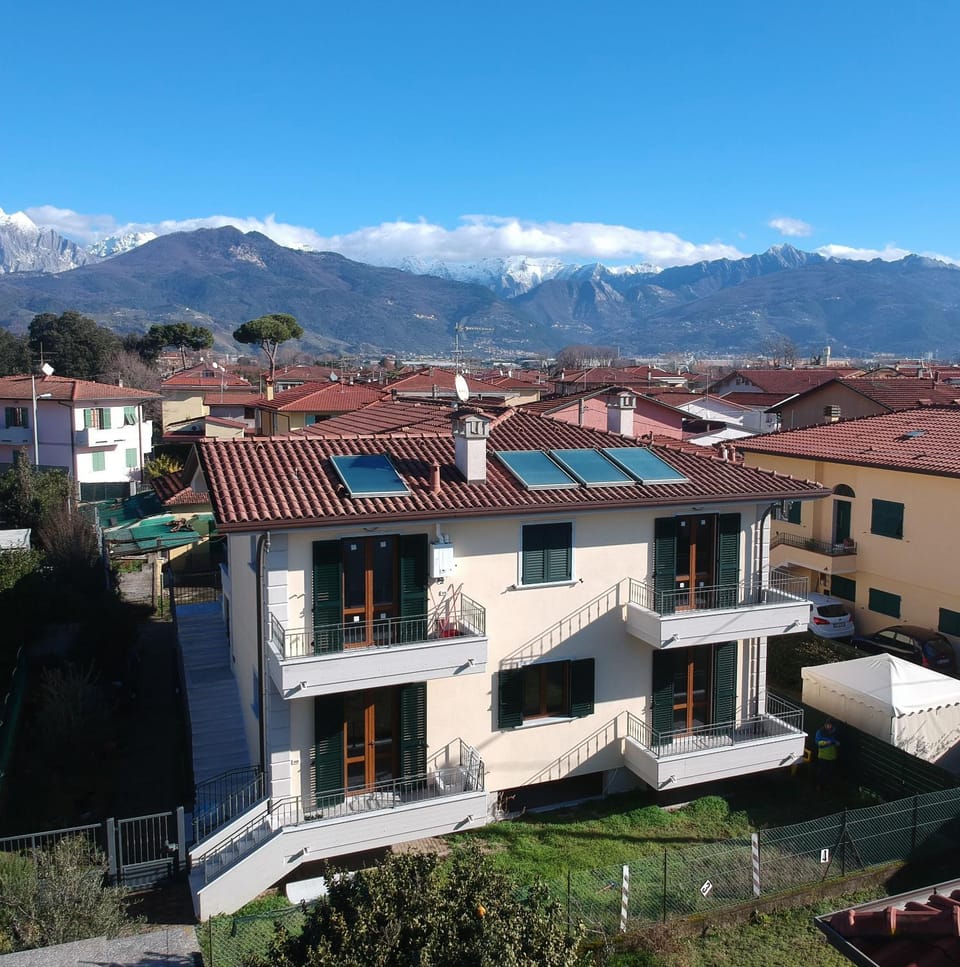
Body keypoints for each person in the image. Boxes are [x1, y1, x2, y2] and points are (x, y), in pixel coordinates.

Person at [815, 719, 840, 790]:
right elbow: (817, 742)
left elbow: (836, 741)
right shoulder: (820, 732)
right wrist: (826, 743)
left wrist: (836, 743)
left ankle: (828, 785)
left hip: (832, 756)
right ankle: (819, 785)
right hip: (822, 756)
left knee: (830, 772)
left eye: (830, 725)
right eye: (827, 725)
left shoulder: (834, 732)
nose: (828, 726)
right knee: (821, 771)